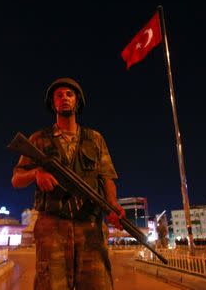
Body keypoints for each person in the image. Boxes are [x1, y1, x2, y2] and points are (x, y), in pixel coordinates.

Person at [11, 77, 125, 290]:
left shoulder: (95, 139)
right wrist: (37, 173)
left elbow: (106, 177)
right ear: (53, 104)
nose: (64, 98)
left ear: (77, 102)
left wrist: (112, 204)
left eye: (69, 94)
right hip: (52, 227)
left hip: (90, 227)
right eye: (59, 95)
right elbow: (16, 179)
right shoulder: (39, 139)